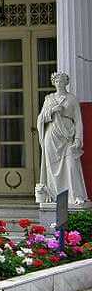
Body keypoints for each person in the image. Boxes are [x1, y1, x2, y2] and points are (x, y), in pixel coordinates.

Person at [35, 72, 88, 205]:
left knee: (71, 166)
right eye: (57, 81)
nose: (60, 83)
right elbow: (40, 119)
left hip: (67, 136)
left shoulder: (72, 99)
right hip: (51, 136)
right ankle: (55, 196)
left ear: (66, 82)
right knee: (52, 168)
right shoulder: (49, 99)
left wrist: (78, 139)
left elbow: (78, 121)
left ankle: (74, 195)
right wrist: (52, 110)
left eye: (62, 80)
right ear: (54, 83)